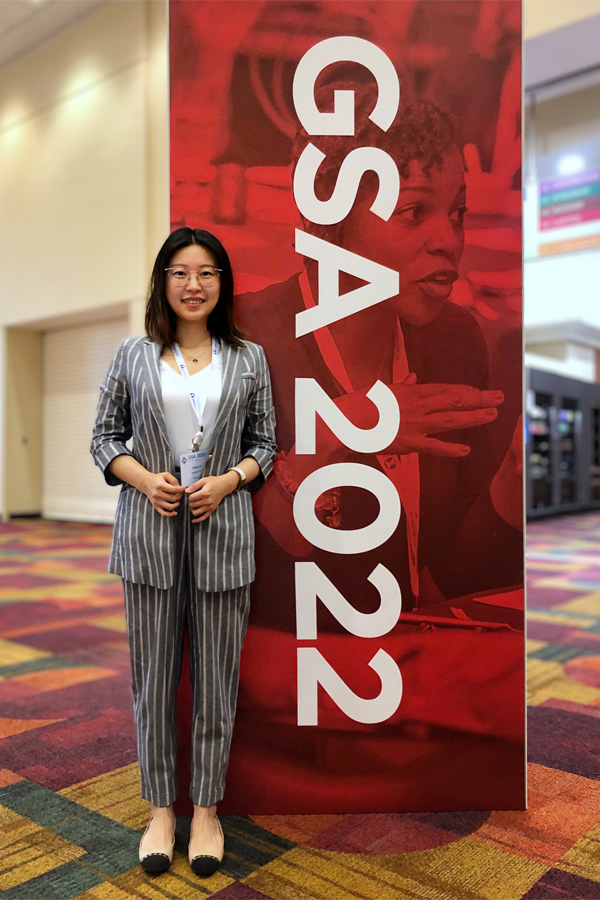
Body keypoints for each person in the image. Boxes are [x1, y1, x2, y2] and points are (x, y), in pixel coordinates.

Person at [221, 88, 524, 812]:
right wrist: (355, 431)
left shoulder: (454, 343)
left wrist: (512, 492)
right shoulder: (245, 344)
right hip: (282, 704)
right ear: (331, 221)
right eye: (413, 211)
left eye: (456, 210)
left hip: (415, 687)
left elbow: (444, 566)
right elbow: (251, 566)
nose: (449, 239)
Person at [91, 227, 276, 873]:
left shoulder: (248, 357)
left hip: (224, 539)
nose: (193, 284)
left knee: (217, 685)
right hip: (148, 541)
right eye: (179, 272)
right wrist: (143, 479)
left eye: (206, 273)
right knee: (153, 685)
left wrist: (229, 480)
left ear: (223, 283)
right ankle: (161, 810)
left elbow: (266, 445)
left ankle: (205, 811)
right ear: (161, 282)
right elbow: (103, 439)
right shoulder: (132, 354)